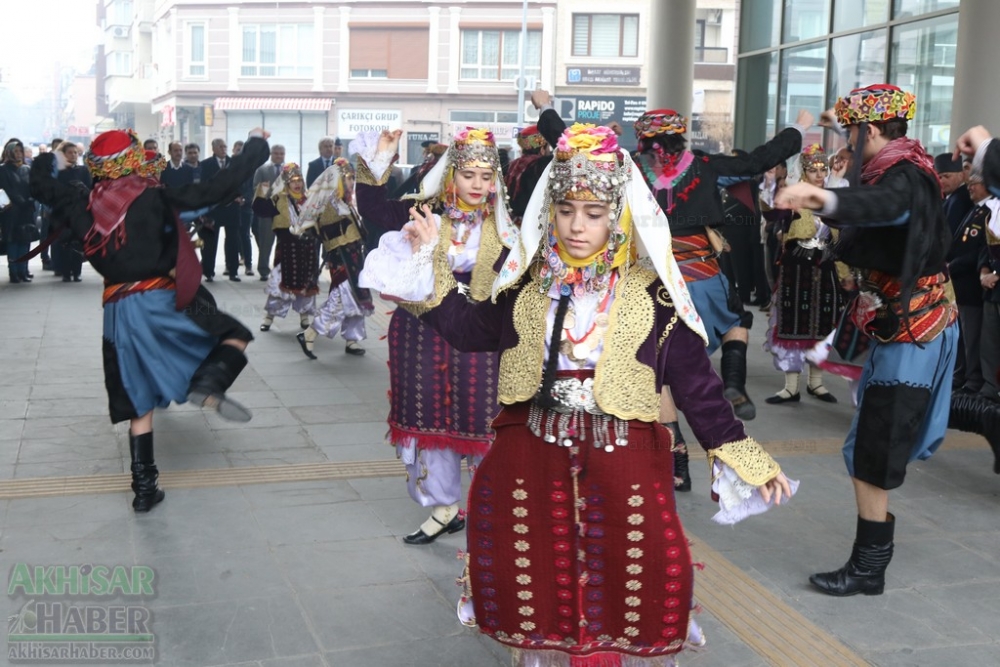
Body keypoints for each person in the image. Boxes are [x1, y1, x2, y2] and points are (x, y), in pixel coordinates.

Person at [374, 123, 794, 665]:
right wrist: (430, 258)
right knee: (533, 583)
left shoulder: (655, 296)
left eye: (594, 214)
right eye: (566, 210)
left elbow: (698, 388)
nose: (577, 226)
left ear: (619, 215)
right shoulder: (529, 284)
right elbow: (467, 328)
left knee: (622, 577)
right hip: (529, 454)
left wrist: (744, 457)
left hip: (625, 460)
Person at [777, 84, 960, 596]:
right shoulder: (896, 168)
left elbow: (886, 205)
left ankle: (868, 568)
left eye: (852, 132)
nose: (848, 142)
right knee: (873, 446)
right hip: (899, 329)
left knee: (875, 450)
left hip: (914, 332)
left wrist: (821, 196)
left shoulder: (907, 178)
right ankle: (869, 564)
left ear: (871, 131)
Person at [30, 128, 270, 512]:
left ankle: (144, 490)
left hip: (117, 310)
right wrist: (256, 146)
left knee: (137, 395)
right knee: (235, 334)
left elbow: (39, 183)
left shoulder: (81, 203)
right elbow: (217, 188)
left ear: (97, 166)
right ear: (135, 160)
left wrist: (53, 159)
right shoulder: (156, 197)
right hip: (161, 297)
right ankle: (208, 384)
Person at [357, 126, 514, 545]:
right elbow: (371, 206)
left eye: (486, 176)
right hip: (422, 330)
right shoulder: (423, 211)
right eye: (469, 176)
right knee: (429, 414)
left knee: (484, 419)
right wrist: (378, 160)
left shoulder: (508, 226)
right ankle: (444, 507)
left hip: (480, 333)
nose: (477, 185)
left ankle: (488, 507)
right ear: (451, 175)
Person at [631, 107, 809, 423]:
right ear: (678, 138)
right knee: (736, 321)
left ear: (642, 141)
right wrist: (798, 128)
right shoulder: (705, 167)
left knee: (656, 360)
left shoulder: (627, 170)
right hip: (701, 274)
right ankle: (735, 383)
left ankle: (674, 448)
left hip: (648, 280)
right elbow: (758, 161)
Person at [763, 144, 846, 404]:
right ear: (804, 170)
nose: (819, 174)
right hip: (796, 269)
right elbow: (770, 210)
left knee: (823, 324)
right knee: (792, 323)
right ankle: (791, 387)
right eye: (814, 169)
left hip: (826, 268)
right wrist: (769, 185)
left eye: (823, 169)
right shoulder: (792, 195)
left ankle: (816, 383)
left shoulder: (833, 196)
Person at [295, 157, 373, 359]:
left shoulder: (343, 201)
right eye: (348, 178)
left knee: (357, 297)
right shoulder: (330, 204)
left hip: (354, 255)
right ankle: (310, 333)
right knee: (342, 297)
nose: (351, 182)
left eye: (352, 177)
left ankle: (352, 338)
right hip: (342, 256)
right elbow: (329, 232)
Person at [254, 163, 319, 332]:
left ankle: (304, 316)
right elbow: (260, 210)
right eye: (293, 181)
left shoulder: (308, 199)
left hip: (306, 248)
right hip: (287, 248)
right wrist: (262, 191)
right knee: (279, 283)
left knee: (305, 282)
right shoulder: (279, 199)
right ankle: (269, 317)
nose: (297, 184)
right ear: (286, 183)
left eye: (299, 180)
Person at [54, 141, 93, 282]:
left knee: (78, 242)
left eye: (75, 152)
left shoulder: (83, 170)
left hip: (80, 212)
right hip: (64, 212)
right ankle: (65, 272)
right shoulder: (59, 172)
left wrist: (82, 188)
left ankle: (77, 271)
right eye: (70, 152)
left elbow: (91, 190)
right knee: (64, 242)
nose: (73, 155)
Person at [0, 139, 36, 283]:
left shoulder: (27, 168)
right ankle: (13, 272)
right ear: (9, 153)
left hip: (26, 210)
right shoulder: (3, 169)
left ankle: (23, 270)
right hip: (12, 211)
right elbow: (7, 189)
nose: (19, 154)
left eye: (20, 151)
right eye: (15, 151)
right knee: (13, 241)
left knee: (25, 240)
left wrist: (32, 199)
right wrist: (22, 201)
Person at [252, 144, 285, 281]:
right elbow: (255, 188)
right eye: (276, 153)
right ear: (271, 154)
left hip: (284, 212)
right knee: (266, 242)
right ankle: (263, 270)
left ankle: (282, 270)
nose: (279, 156)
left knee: (284, 243)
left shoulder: (290, 170)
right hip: (267, 211)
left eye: (281, 153)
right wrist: (267, 192)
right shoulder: (262, 169)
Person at [232, 140, 255, 277]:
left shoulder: (251, 168)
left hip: (246, 206)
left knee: (245, 235)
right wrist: (233, 198)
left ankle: (248, 265)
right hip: (232, 205)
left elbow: (253, 187)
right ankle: (231, 266)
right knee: (231, 237)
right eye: (238, 149)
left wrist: (245, 199)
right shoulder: (230, 166)